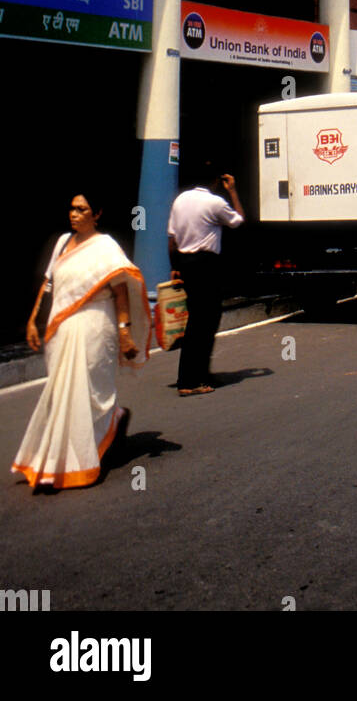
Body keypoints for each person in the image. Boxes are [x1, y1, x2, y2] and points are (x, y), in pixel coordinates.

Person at [11, 190, 150, 491]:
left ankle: (83, 461)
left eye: (82, 209)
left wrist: (125, 331)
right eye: (72, 208)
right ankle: (108, 424)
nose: (74, 214)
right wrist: (34, 319)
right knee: (62, 390)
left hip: (96, 325)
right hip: (62, 327)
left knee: (87, 390)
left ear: (97, 214)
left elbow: (121, 291)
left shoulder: (106, 247)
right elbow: (49, 284)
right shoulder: (63, 243)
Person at [168, 164, 245, 395]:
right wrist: (232, 190)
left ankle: (191, 376)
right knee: (206, 321)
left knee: (196, 320)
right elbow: (239, 220)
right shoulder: (215, 203)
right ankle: (193, 380)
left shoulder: (180, 200)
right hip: (207, 265)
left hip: (185, 263)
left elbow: (171, 240)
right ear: (215, 181)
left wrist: (175, 268)